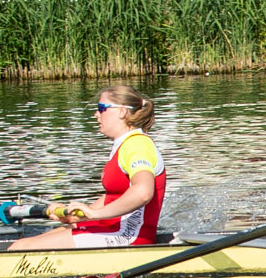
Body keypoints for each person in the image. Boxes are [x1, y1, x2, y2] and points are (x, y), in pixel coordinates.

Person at [12, 86, 167, 252]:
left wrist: (95, 214)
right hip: (113, 228)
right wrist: (80, 214)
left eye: (102, 109)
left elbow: (143, 192)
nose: (96, 114)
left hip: (128, 236)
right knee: (23, 244)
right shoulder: (123, 144)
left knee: (21, 248)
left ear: (122, 112)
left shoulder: (137, 144)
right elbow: (115, 196)